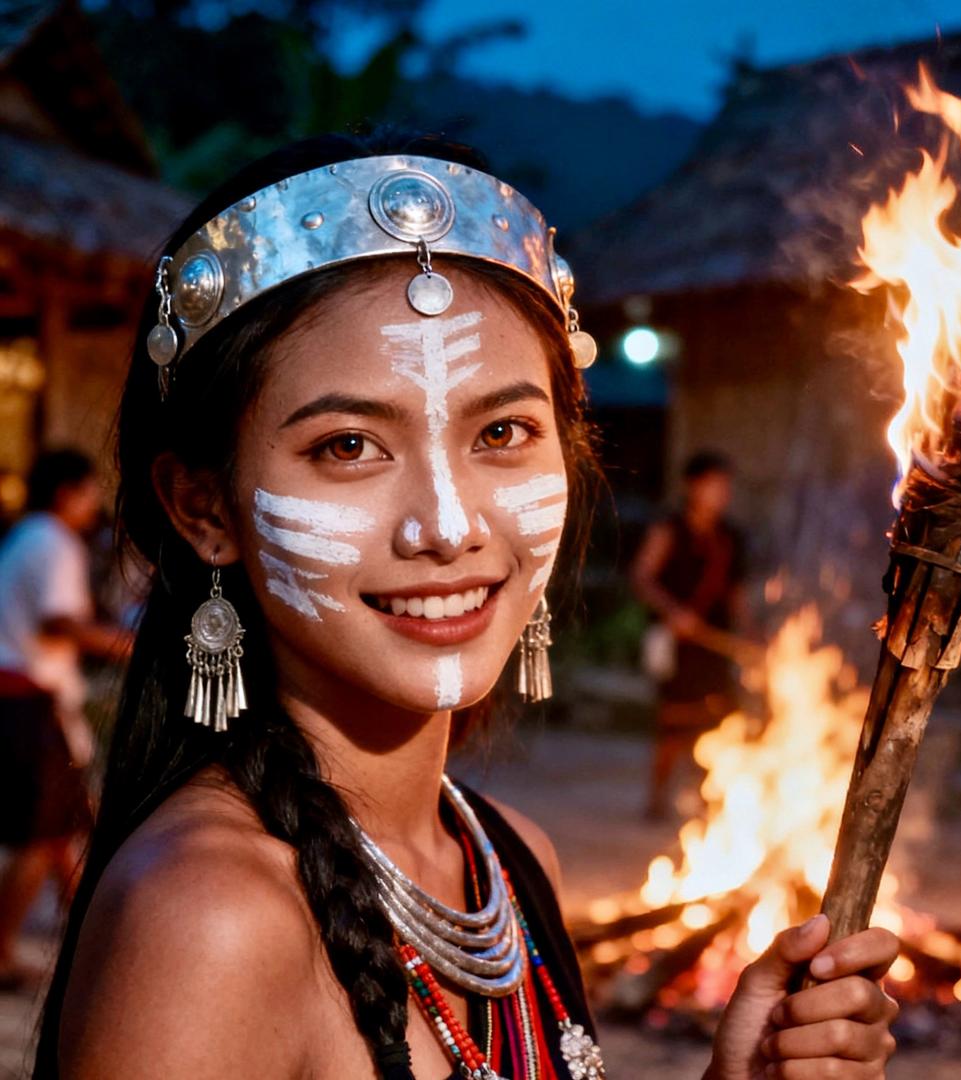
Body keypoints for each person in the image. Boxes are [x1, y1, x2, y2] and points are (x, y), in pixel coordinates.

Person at [33, 131, 897, 1080]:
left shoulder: (514, 861)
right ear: (205, 509)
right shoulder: (208, 918)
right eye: (349, 447)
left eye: (503, 432)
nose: (448, 527)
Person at [0, 449, 132, 987]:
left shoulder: (28, 534)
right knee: (44, 830)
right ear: (66, 492)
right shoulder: (53, 541)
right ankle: (2, 952)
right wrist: (131, 647)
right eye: (89, 492)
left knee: (65, 823)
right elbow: (60, 621)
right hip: (28, 697)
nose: (94, 503)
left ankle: (88, 931)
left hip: (27, 697)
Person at [631, 452, 750, 819]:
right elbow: (642, 578)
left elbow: (736, 594)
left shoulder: (730, 537)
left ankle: (708, 801)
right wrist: (674, 613)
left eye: (725, 486)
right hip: (678, 644)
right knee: (674, 725)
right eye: (713, 485)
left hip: (714, 642)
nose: (721, 493)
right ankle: (657, 797)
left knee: (717, 721)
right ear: (692, 486)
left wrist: (749, 634)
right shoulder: (669, 530)